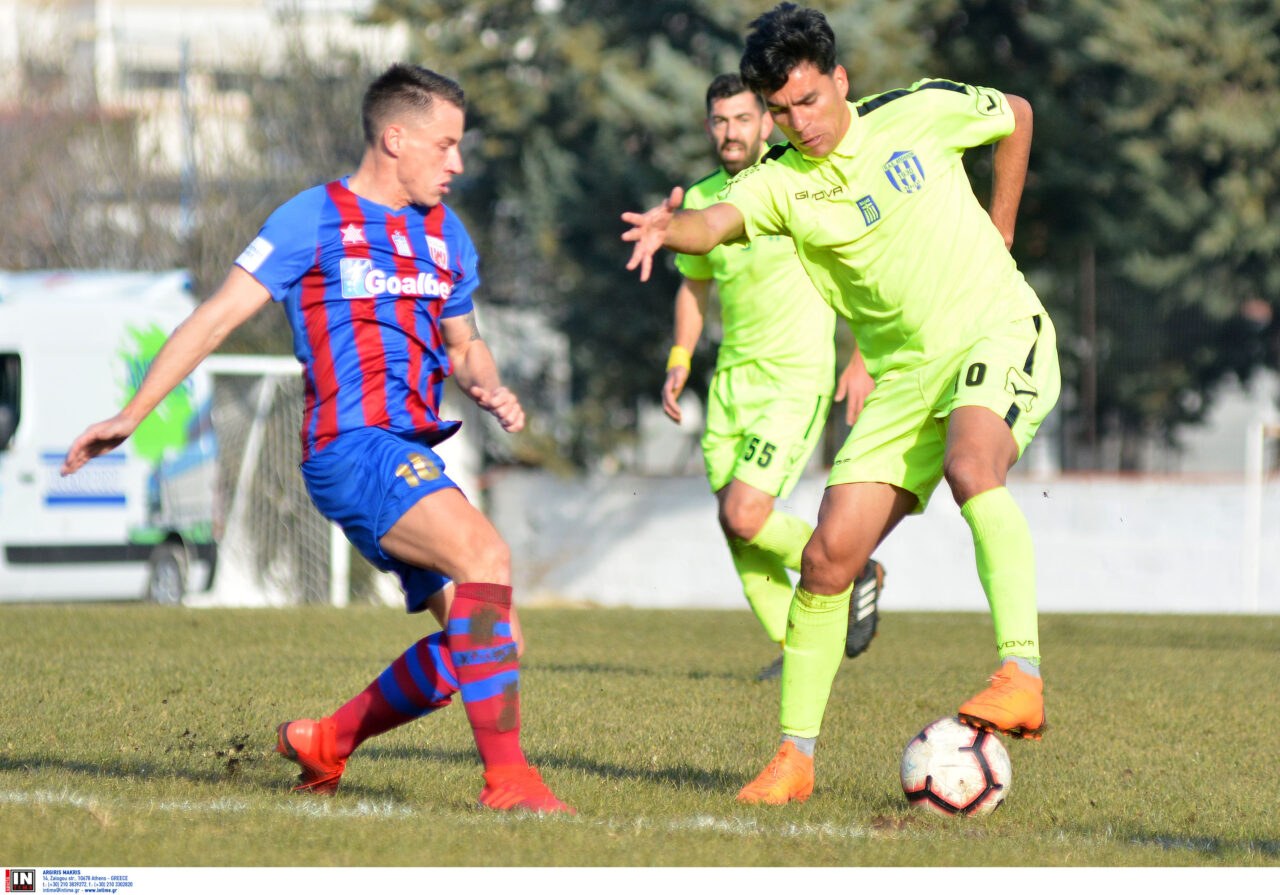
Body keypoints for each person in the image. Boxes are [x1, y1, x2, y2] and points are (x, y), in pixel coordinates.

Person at [62, 63, 573, 815]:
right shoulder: (312, 218)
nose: (458, 163)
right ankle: (510, 783)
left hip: (409, 454)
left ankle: (327, 740)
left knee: (495, 640)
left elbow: (465, 342)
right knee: (486, 557)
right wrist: (133, 413)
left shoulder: (447, 233)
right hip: (351, 448)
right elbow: (216, 317)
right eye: (446, 144)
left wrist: (487, 383)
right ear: (395, 138)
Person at [622, 3, 1061, 806]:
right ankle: (794, 760)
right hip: (903, 378)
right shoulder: (780, 181)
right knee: (827, 561)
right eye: (782, 111)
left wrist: (1001, 228)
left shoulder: (919, 111)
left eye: (809, 101)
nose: (801, 123)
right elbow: (715, 222)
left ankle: (1021, 673)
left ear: (841, 80)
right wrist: (669, 226)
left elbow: (1017, 115)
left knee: (971, 465)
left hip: (994, 329)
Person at [664, 73, 885, 682]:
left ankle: (852, 566)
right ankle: (796, 649)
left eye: (742, 118)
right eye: (719, 121)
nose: (730, 132)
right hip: (731, 385)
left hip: (795, 379)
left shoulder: (798, 183)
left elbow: (855, 267)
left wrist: (862, 356)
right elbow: (694, 288)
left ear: (766, 121)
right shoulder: (703, 199)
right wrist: (680, 359)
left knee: (744, 513)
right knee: (736, 525)